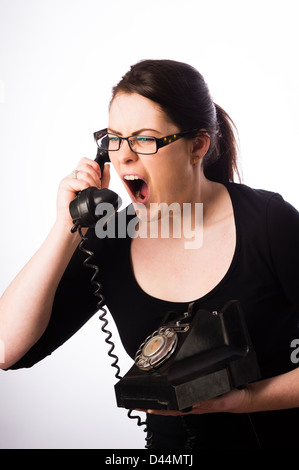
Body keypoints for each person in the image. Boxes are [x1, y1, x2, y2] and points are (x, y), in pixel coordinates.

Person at [1, 59, 299, 449]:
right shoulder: (109, 237)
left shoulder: (267, 221)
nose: (123, 157)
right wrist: (66, 227)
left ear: (197, 146)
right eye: (113, 139)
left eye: (144, 139)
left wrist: (244, 401)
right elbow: (6, 349)